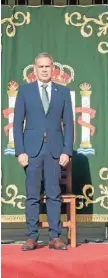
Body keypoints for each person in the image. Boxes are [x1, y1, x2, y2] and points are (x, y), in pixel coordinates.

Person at [14, 52, 74, 251]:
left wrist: (67, 151)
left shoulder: (63, 92)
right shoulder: (25, 91)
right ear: (35, 69)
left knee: (53, 194)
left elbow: (69, 124)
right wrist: (20, 151)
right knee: (32, 195)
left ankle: (55, 237)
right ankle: (32, 237)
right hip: (31, 151)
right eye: (41, 67)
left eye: (48, 66)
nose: (45, 70)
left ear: (53, 68)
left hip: (55, 151)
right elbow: (17, 124)